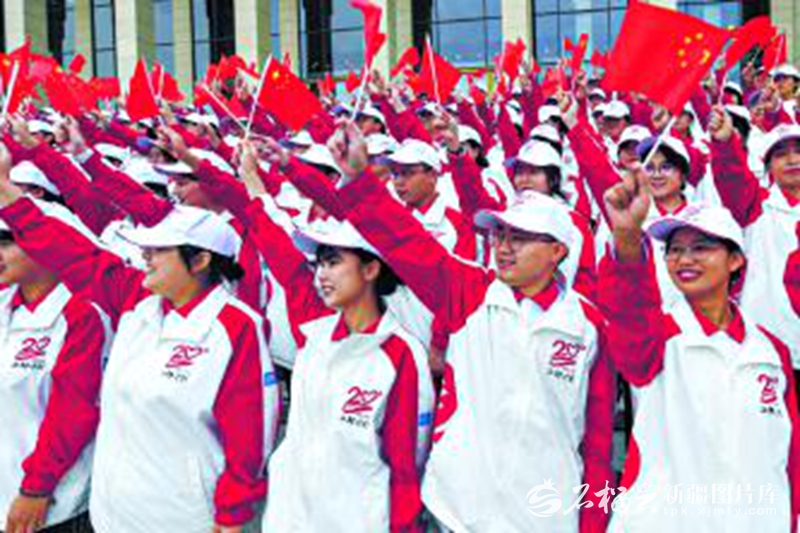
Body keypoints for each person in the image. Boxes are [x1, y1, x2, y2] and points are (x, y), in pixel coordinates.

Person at [330, 122, 615, 532]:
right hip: (459, 507)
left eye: (520, 238)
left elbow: (599, 444)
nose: (503, 247)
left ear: (557, 250)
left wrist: (593, 523)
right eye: (499, 234)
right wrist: (359, 181)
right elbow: (404, 241)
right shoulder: (469, 292)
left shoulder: (588, 324)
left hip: (546, 516)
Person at [0, 141, 279, 533]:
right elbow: (71, 251)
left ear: (200, 260)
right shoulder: (137, 301)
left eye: (159, 249)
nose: (145, 256)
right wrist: (6, 190)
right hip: (114, 512)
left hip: (182, 518)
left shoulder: (235, 325)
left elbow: (251, 434)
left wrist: (232, 515)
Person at [600, 165, 800, 532]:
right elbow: (628, 309)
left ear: (735, 259)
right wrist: (627, 238)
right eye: (675, 250)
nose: (685, 259)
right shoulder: (656, 334)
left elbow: (789, 457)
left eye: (701, 248)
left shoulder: (772, 351)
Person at [0, 207, 107, 533]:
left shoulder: (82, 315)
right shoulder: (6, 302)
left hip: (48, 503)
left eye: (5, 242)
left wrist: (36, 488)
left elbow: (72, 412)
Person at [708, 111, 800, 388]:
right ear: (768, 166)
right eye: (781, 155)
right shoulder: (756, 205)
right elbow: (731, 176)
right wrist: (725, 142)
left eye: (798, 151)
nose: (793, 160)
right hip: (769, 346)